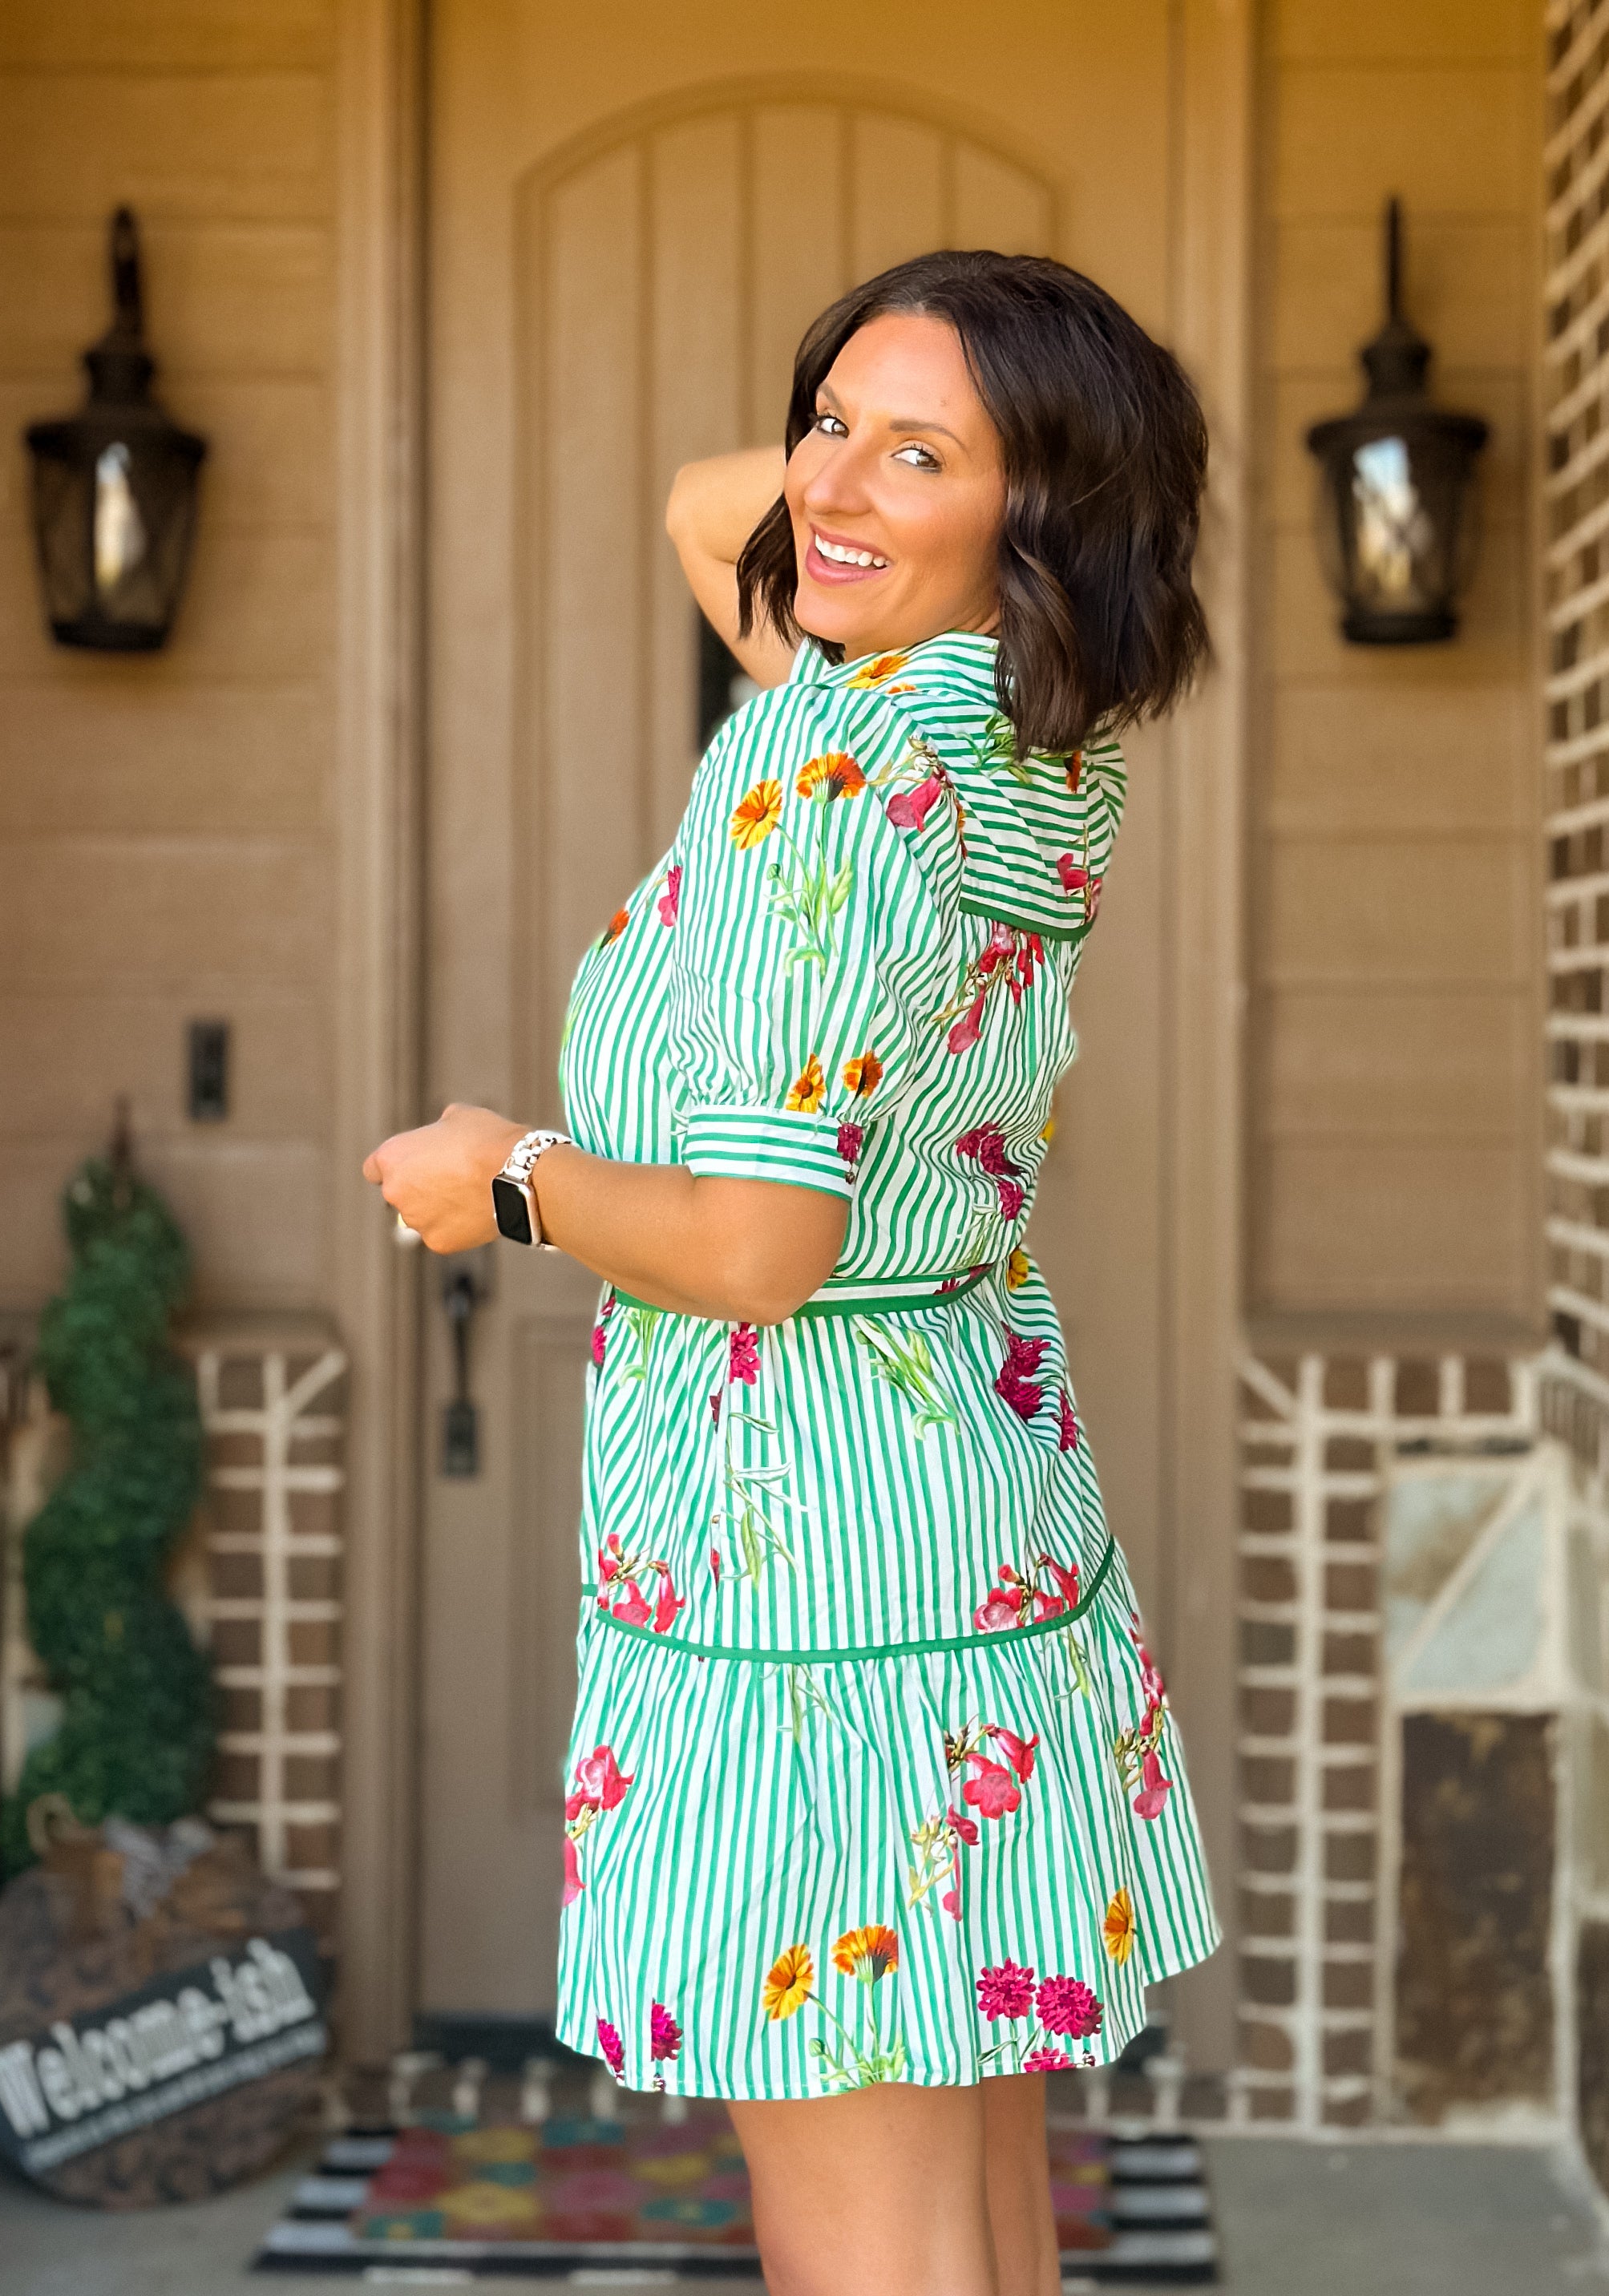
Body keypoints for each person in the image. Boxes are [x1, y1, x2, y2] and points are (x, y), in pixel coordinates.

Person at [365, 249, 1219, 2296]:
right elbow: (705, 503)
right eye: (826, 422)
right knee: (975, 2216)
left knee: (873, 2247)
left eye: (920, 455)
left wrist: (508, 1178)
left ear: (1037, 515)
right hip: (974, 1540)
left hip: (803, 1584)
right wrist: (898, 472)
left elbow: (757, 1249)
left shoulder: (819, 780)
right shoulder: (1020, 731)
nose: (824, 483)